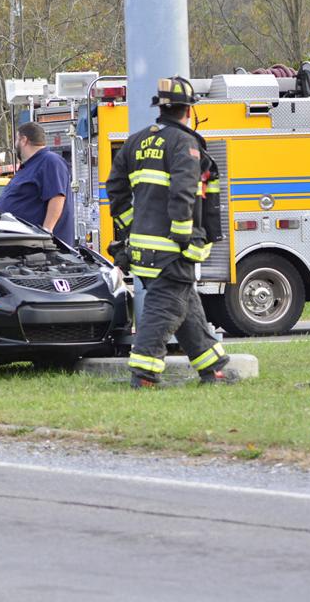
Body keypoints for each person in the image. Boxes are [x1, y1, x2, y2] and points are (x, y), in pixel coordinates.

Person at [106, 76, 229, 389]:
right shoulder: (185, 144)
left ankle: (213, 368)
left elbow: (115, 189)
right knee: (165, 311)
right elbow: (184, 192)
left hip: (143, 249)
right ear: (188, 110)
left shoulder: (135, 142)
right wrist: (184, 239)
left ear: (160, 109)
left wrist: (131, 230)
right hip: (172, 251)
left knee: (185, 306)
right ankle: (144, 376)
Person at [0, 123, 74, 243]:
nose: (15, 144)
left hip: (42, 251)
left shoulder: (50, 161)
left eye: (17, 139)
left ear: (23, 140)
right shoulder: (31, 165)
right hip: (24, 247)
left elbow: (57, 197)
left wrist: (46, 233)